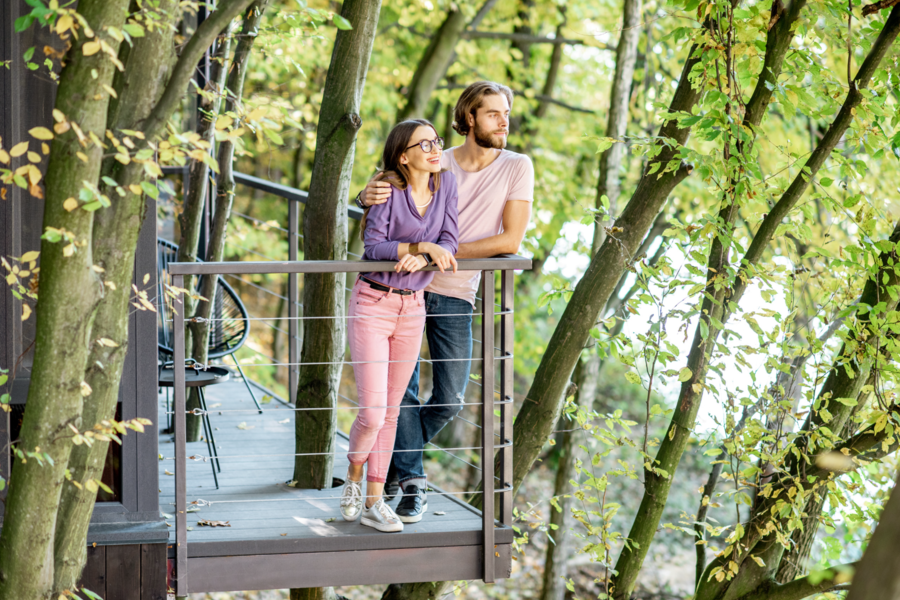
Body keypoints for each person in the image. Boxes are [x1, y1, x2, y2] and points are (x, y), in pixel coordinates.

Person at [355, 81, 534, 523]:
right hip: (405, 292)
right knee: (401, 395)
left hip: (456, 292)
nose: (504, 121)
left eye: (506, 113)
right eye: (494, 113)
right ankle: (411, 485)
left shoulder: (516, 166)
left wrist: (434, 251)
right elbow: (384, 205)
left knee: (449, 398)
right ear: (469, 118)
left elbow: (510, 240)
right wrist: (365, 195)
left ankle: (393, 452)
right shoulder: (435, 159)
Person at [340, 119, 459, 533]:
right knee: (372, 413)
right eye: (424, 143)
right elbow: (374, 248)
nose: (435, 148)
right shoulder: (386, 189)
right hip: (373, 302)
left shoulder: (446, 186)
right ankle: (353, 476)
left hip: (413, 308)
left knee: (391, 412)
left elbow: (450, 239)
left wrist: (428, 257)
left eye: (437, 141)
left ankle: (375, 501)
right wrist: (419, 247)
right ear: (403, 155)